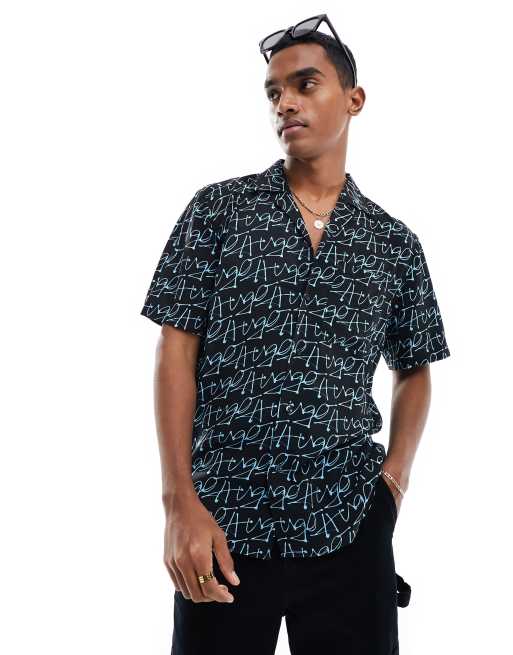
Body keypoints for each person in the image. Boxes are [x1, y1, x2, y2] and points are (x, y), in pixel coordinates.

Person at [140, 15, 451, 655]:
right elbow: (175, 352)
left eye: (305, 85)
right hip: (223, 523)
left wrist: (392, 484)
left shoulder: (393, 244)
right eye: (274, 92)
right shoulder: (219, 211)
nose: (285, 103)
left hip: (349, 523)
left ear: (353, 100)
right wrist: (178, 504)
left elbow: (416, 367)